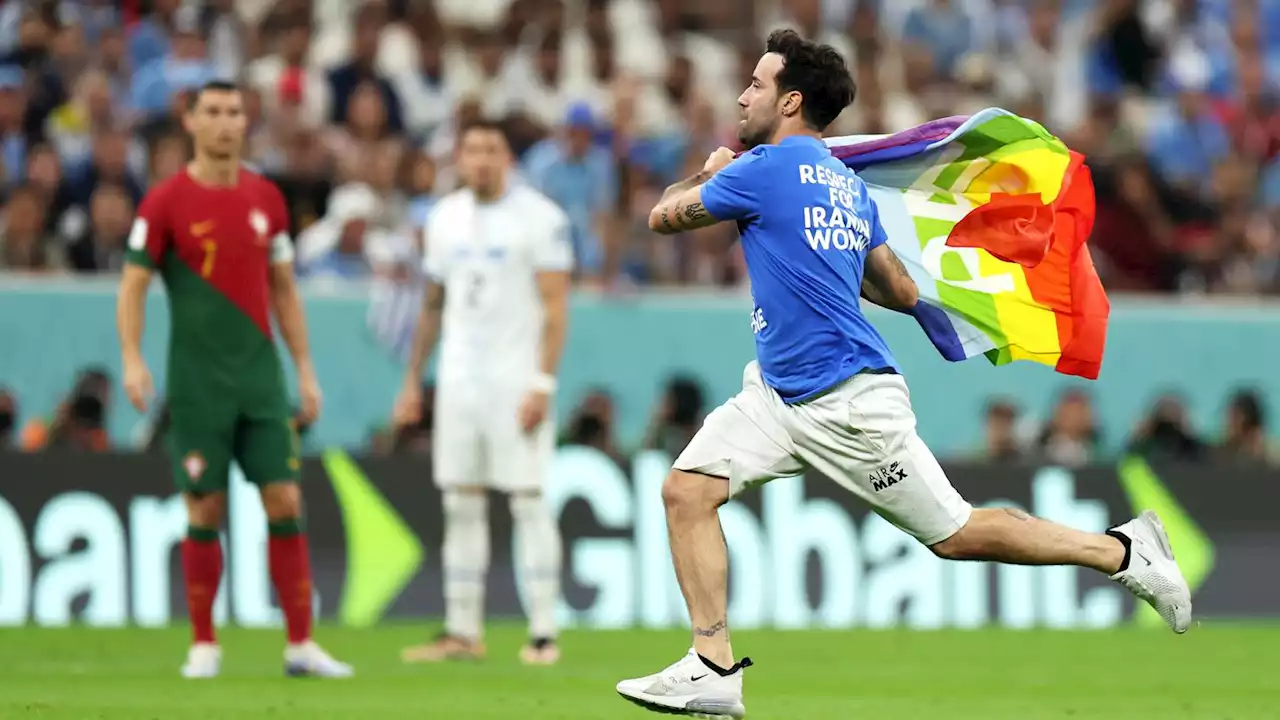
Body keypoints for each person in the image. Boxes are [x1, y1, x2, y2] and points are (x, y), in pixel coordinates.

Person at [614, 30, 1191, 719]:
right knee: (686, 491)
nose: (743, 94)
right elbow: (901, 290)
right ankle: (711, 666)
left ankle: (1122, 551)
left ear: (791, 101)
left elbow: (660, 217)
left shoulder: (758, 169)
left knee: (956, 534)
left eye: (758, 84)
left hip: (845, 402)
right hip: (777, 392)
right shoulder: (846, 186)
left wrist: (710, 172)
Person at [116, 80, 352, 680]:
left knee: (285, 498)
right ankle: (203, 644)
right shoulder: (164, 203)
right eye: (213, 112)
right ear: (191, 122)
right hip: (197, 384)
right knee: (205, 507)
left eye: (234, 113)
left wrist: (306, 370)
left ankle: (300, 645)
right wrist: (132, 357)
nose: (225, 123)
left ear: (246, 123)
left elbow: (285, 291)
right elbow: (135, 285)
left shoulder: (266, 198)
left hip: (260, 378)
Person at [392, 118, 572, 666]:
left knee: (528, 499)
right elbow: (432, 303)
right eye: (471, 149)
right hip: (458, 381)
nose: (480, 160)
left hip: (515, 380)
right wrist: (411, 382)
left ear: (507, 159)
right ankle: (462, 631)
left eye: (491, 150)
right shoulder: (443, 218)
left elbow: (556, 308)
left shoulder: (540, 220)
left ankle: (543, 634)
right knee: (460, 501)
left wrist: (543, 382)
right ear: (460, 157)